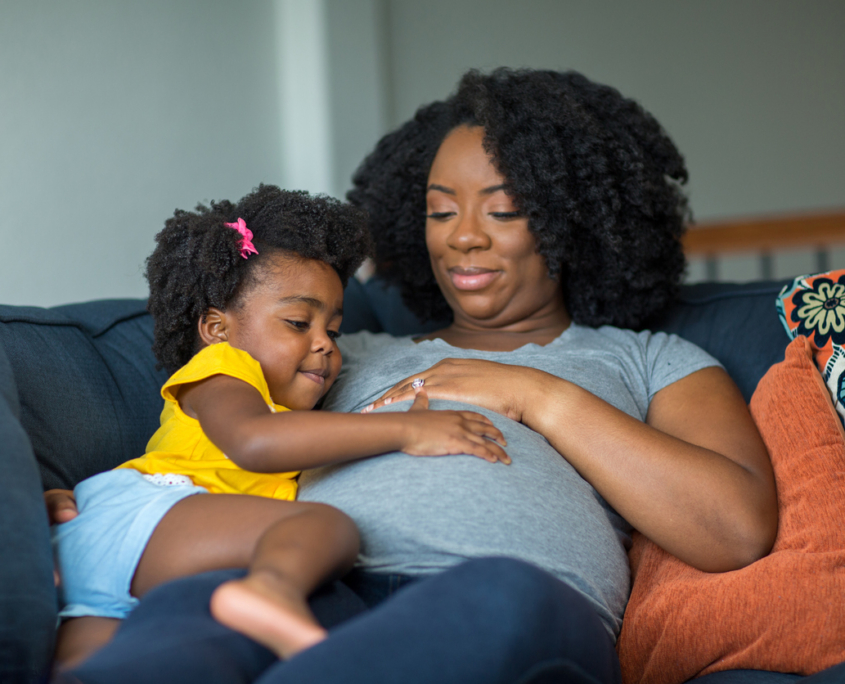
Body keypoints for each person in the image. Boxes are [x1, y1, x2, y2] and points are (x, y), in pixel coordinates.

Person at [49, 69, 779, 684]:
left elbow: (732, 530)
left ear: (575, 220)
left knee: (501, 595)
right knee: (191, 611)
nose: (462, 235)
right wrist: (102, 504)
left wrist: (535, 395)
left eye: (504, 210)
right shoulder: (332, 349)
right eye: (438, 211)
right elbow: (220, 442)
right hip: (307, 581)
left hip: (513, 598)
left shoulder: (649, 360)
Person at [50, 185, 509, 671]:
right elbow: (255, 443)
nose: (325, 345)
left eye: (332, 330)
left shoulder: (290, 410)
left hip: (115, 567)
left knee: (88, 671)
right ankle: (272, 589)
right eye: (296, 322)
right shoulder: (222, 371)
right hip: (150, 513)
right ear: (217, 329)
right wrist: (404, 431)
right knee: (321, 526)